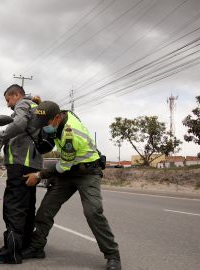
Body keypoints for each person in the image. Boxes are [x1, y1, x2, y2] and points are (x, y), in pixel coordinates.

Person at [22, 101, 121, 270]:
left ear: (57, 118)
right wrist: (38, 104)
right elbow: (48, 109)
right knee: (46, 209)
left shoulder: (70, 134)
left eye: (45, 123)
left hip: (87, 172)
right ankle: (36, 247)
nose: (43, 127)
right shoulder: (60, 115)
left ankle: (113, 256)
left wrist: (39, 175)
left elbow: (62, 167)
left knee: (93, 212)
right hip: (69, 171)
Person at [0, 84, 43, 264]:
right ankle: (26, 247)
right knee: (27, 208)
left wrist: (2, 134)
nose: (7, 104)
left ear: (17, 95)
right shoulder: (35, 108)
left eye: (8, 99)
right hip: (33, 165)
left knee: (14, 208)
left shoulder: (22, 104)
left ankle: (10, 253)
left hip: (20, 164)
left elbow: (19, 123)